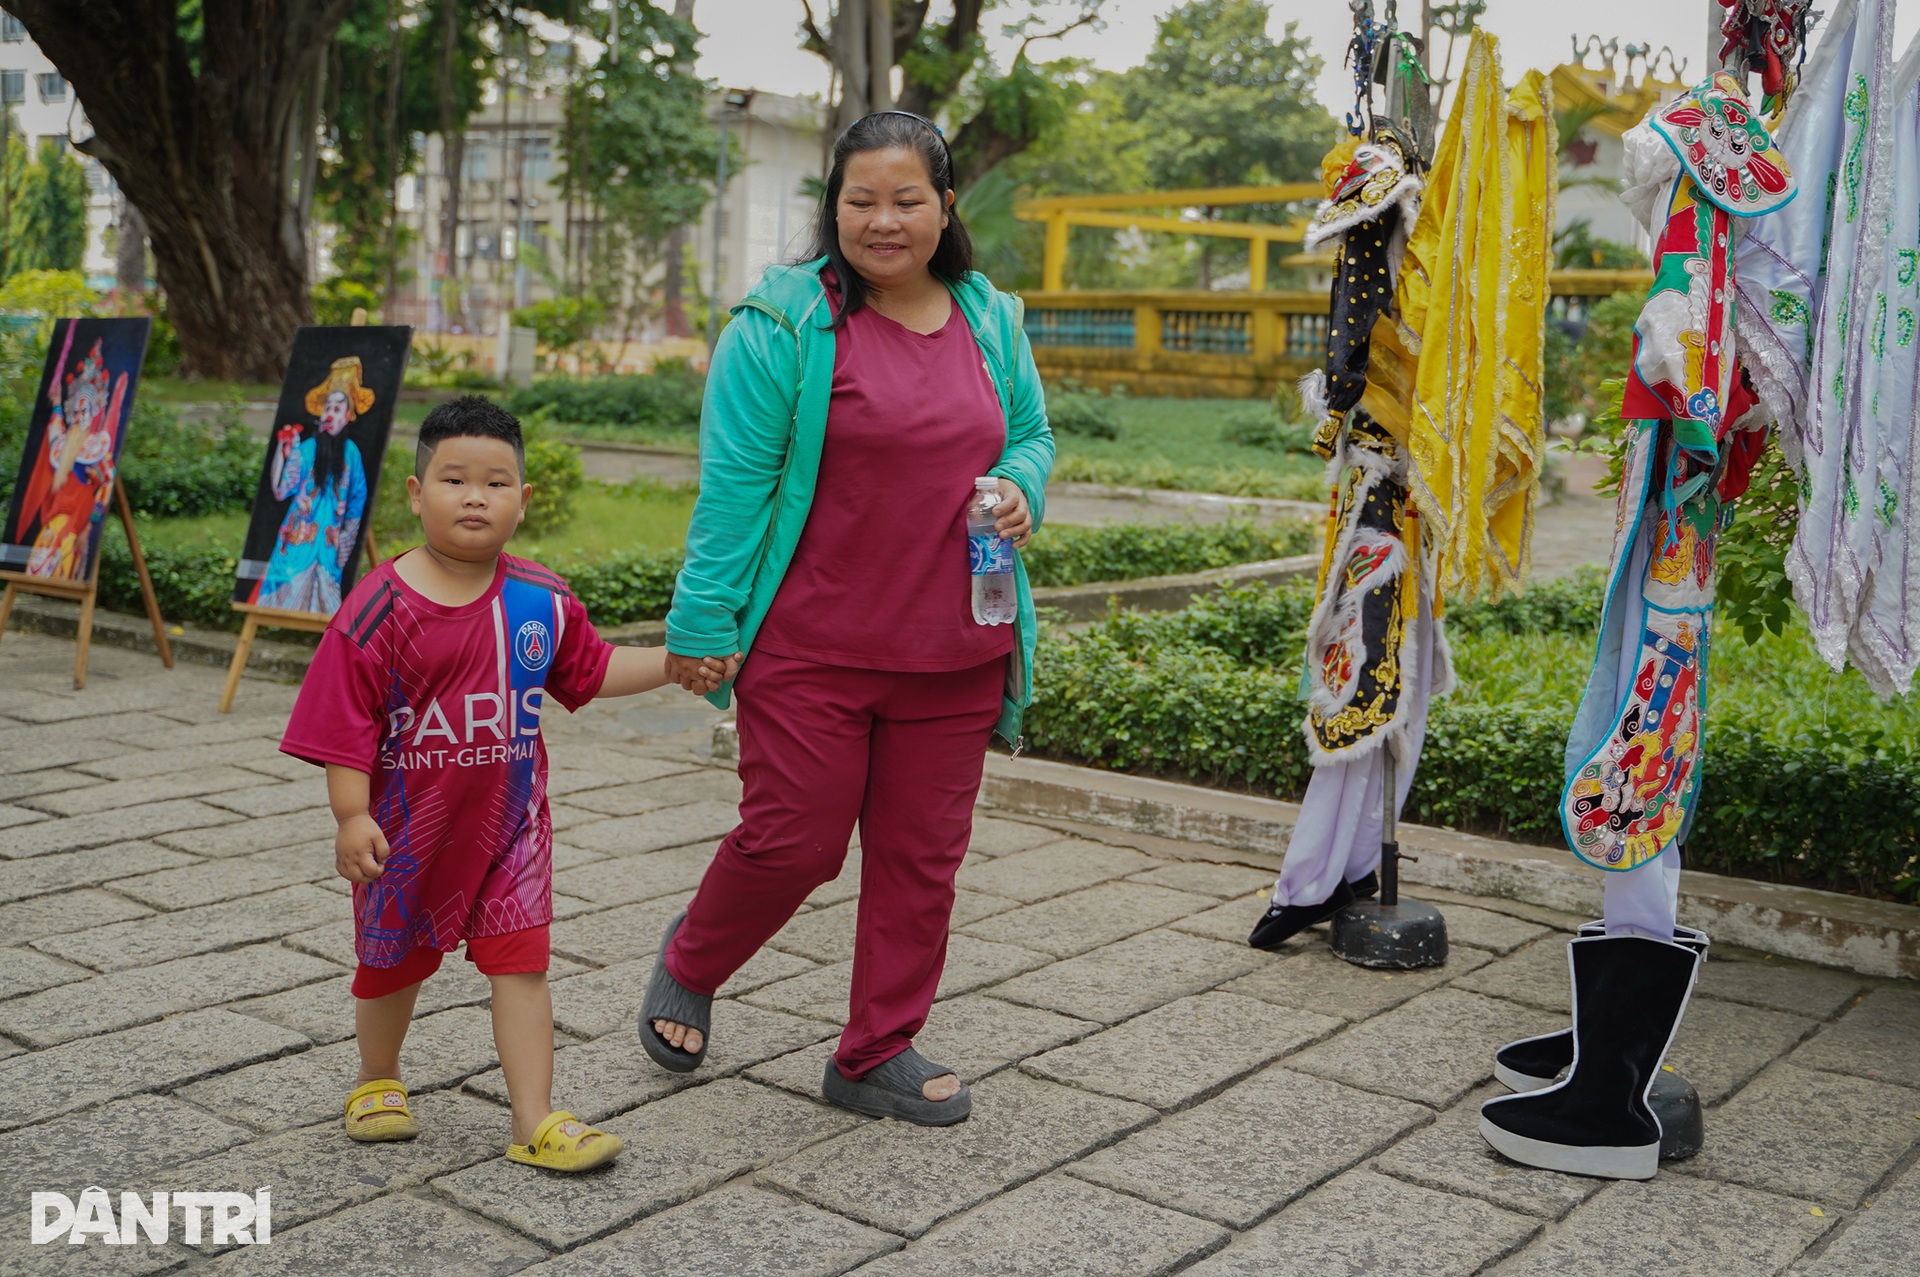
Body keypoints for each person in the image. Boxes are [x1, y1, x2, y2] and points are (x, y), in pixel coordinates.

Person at [640, 110, 1054, 1127]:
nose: (883, 219)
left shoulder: (991, 317)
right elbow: (732, 487)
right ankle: (693, 957)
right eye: (859, 198)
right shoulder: (781, 325)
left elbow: (1033, 435)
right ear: (831, 207)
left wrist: (1019, 485)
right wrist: (701, 620)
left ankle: (875, 1049)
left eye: (907, 198)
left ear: (944, 207)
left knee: (921, 860)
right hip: (811, 646)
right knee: (794, 840)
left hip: (956, 647)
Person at [280, 396, 736, 1173]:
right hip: (406, 826)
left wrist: (669, 663)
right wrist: (351, 815)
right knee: (391, 959)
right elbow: (344, 725)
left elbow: (590, 671)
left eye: (496, 482)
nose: (474, 496)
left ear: (523, 501)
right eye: (454, 478)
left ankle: (534, 1117)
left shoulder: (541, 599)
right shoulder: (378, 609)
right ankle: (377, 1077)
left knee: (521, 962)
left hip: (511, 825)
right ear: (415, 493)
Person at [257, 355, 374, 614]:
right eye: (327, 408)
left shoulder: (352, 453)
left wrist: (346, 538)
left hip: (330, 538)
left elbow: (358, 497)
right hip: (300, 535)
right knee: (289, 585)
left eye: (336, 409)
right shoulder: (307, 448)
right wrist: (285, 451)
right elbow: (282, 489)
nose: (330, 413)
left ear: (347, 416)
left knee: (328, 593)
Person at [13, 334, 128, 581]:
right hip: (53, 521)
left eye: (84, 410)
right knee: (37, 564)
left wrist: (89, 526)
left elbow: (106, 485)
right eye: (75, 410)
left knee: (62, 564)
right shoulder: (64, 443)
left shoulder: (98, 447)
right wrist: (56, 403)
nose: (78, 416)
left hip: (75, 525)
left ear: (95, 410)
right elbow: (56, 430)